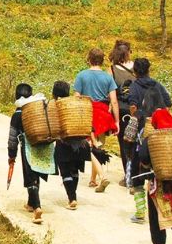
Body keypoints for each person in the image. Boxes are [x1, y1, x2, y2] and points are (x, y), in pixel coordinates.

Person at [126, 58, 172, 224]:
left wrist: (139, 118)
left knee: (138, 175)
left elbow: (133, 108)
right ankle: (165, 208)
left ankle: (140, 212)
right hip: (161, 134)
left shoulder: (133, 87)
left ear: (135, 72)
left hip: (142, 134)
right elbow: (168, 106)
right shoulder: (158, 85)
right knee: (159, 171)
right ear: (148, 70)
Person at [73, 48, 119, 193]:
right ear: (102, 60)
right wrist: (116, 121)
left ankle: (101, 176)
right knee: (99, 147)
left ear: (89, 59)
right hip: (104, 114)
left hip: (88, 112)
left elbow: (76, 97)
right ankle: (93, 179)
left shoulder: (82, 75)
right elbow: (114, 101)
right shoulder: (108, 77)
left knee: (88, 147)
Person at [8, 84, 56, 224]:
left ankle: (37, 208)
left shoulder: (18, 114)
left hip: (28, 147)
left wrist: (12, 155)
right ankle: (30, 203)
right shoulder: (39, 110)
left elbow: (12, 138)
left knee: (30, 178)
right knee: (36, 174)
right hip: (44, 145)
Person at [52, 81, 89, 210]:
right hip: (81, 144)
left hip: (63, 144)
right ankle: (73, 195)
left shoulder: (56, 106)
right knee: (75, 171)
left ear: (54, 94)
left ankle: (72, 198)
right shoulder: (76, 104)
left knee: (66, 172)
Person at [108, 40, 134, 185]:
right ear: (129, 51)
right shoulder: (137, 67)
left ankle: (128, 175)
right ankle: (138, 174)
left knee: (125, 144)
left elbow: (111, 95)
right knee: (137, 142)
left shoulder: (112, 70)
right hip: (137, 110)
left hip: (123, 110)